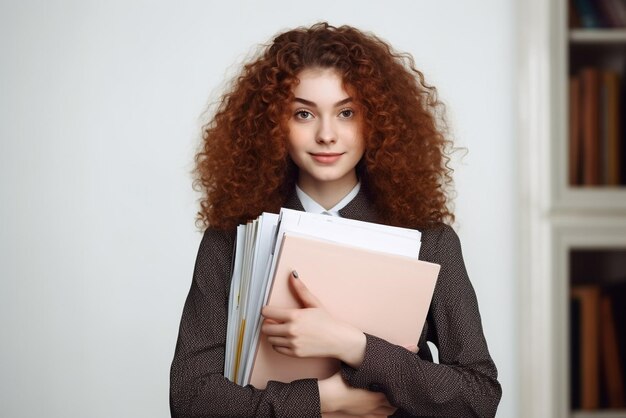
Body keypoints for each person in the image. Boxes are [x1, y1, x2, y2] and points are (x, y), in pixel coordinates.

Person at [170, 22, 502, 417]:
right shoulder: (231, 237)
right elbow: (189, 401)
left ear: (375, 120)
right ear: (274, 124)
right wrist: (323, 400)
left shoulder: (428, 240)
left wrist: (353, 345)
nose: (326, 134)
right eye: (304, 113)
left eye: (346, 112)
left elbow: (478, 398)